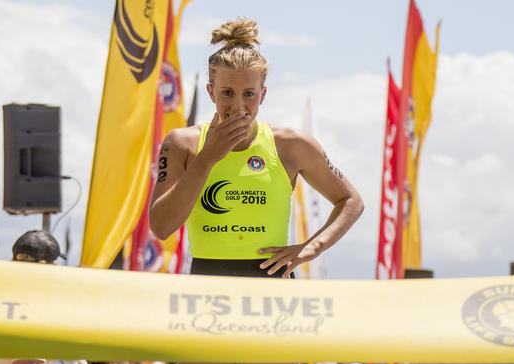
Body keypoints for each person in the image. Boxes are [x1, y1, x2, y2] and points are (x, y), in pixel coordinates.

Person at [149, 17, 364, 279]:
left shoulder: (291, 145)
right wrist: (207, 158)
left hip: (272, 288)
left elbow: (351, 201)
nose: (238, 106)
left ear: (262, 94)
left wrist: (313, 246)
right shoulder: (181, 143)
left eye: (248, 94)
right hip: (206, 288)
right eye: (227, 92)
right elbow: (161, 227)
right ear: (211, 92)